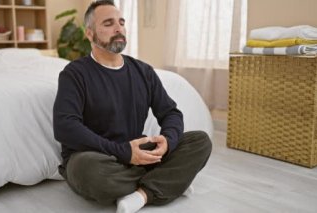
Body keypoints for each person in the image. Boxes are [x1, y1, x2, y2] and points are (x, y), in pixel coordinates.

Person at [53, 1, 212, 212]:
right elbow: (64, 126)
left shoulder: (143, 71)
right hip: (95, 156)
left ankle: (143, 194)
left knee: (200, 141)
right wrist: (123, 152)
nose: (118, 28)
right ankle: (168, 182)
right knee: (90, 172)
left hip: (136, 155)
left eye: (121, 22)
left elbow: (170, 113)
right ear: (89, 34)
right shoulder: (74, 74)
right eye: (108, 23)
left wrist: (168, 141)